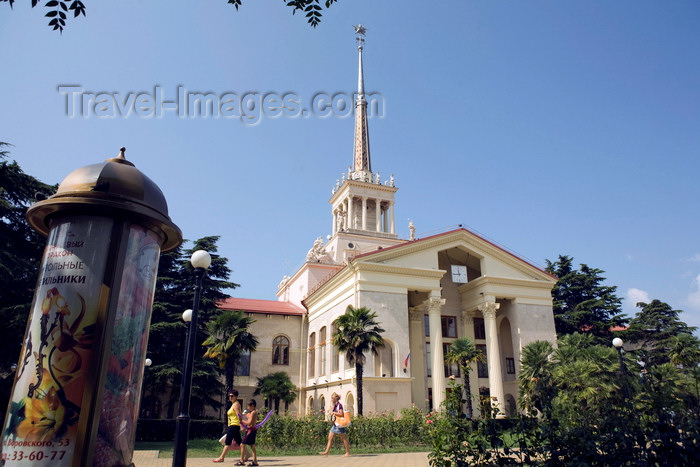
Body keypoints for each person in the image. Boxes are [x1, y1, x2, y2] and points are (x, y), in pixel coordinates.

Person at [213, 390, 246, 464]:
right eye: (229, 396)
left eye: (232, 396)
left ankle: (222, 458)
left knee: (228, 441)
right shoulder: (233, 404)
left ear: (236, 397)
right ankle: (245, 456)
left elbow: (239, 415)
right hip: (232, 425)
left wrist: (241, 425)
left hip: (234, 425)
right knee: (240, 442)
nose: (230, 397)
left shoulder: (236, 405)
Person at [319, 392, 350, 457]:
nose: (331, 400)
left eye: (332, 398)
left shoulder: (339, 405)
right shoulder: (335, 405)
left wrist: (334, 413)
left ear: (335, 399)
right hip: (335, 424)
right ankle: (326, 452)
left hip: (339, 425)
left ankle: (347, 452)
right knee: (330, 438)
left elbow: (341, 414)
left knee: (343, 438)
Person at [241, 400, 259, 466]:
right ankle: (255, 461)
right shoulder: (253, 412)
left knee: (242, 444)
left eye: (248, 406)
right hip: (252, 430)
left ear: (252, 406)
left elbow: (249, 423)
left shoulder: (253, 412)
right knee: (252, 445)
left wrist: (241, 420)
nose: (247, 408)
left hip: (250, 431)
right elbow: (249, 422)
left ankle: (242, 461)